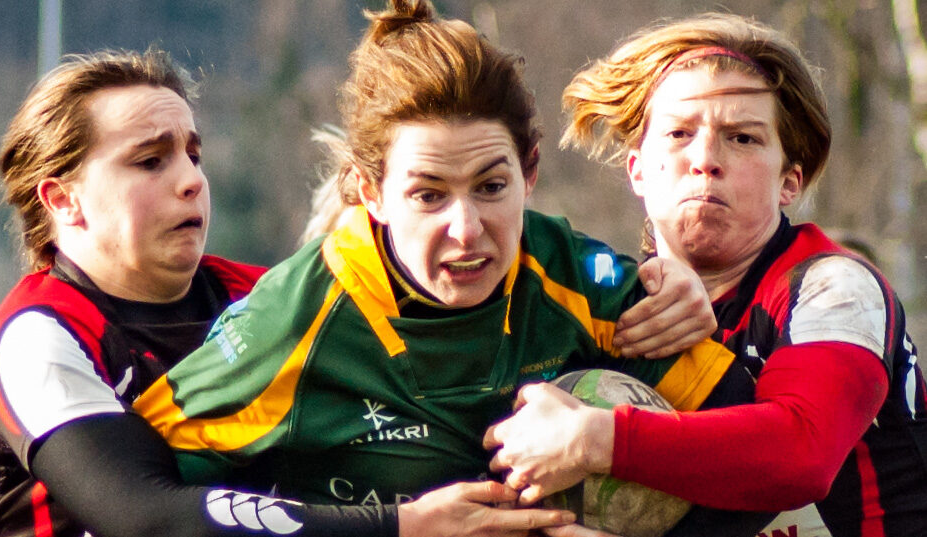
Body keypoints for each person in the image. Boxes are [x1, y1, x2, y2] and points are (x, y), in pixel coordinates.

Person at [135, 2, 763, 536]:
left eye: (491, 186)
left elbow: (754, 467)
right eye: (428, 195)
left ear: (530, 172)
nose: (467, 229)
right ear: (370, 192)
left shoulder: (575, 278)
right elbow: (141, 500)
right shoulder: (293, 322)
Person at [0, 46, 582, 537]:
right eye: (151, 161)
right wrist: (402, 526)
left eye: (193, 155)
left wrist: (658, 293)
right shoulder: (34, 338)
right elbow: (144, 519)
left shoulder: (266, 300)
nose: (191, 181)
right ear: (63, 200)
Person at [484, 12, 927, 537]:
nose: (705, 159)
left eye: (741, 138)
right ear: (638, 171)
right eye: (678, 133)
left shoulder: (837, 288)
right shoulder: (606, 301)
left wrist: (595, 439)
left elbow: (801, 455)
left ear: (790, 182)